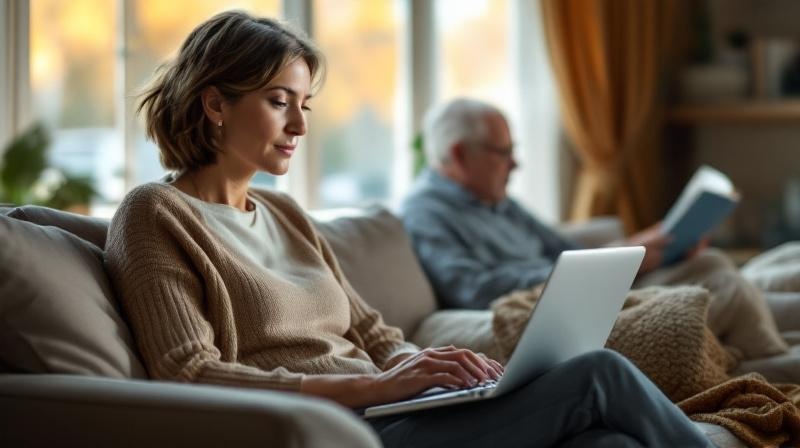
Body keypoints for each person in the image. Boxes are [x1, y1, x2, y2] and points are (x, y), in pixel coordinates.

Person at [105, 11, 712, 447]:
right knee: (596, 374)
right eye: (278, 101)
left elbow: (372, 329)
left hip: (392, 408)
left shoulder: (286, 215)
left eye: (304, 105)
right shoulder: (154, 215)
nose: (299, 125)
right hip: (347, 425)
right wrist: (373, 388)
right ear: (215, 105)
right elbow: (189, 372)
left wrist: (433, 371)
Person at [400, 98, 787, 360]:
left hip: (583, 285)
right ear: (459, 155)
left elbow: (563, 247)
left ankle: (769, 352)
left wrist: (639, 246)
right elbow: (472, 287)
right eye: (503, 153)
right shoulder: (426, 212)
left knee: (719, 263)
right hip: (550, 305)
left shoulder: (497, 200)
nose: (515, 164)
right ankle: (777, 363)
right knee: (725, 284)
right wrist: (604, 264)